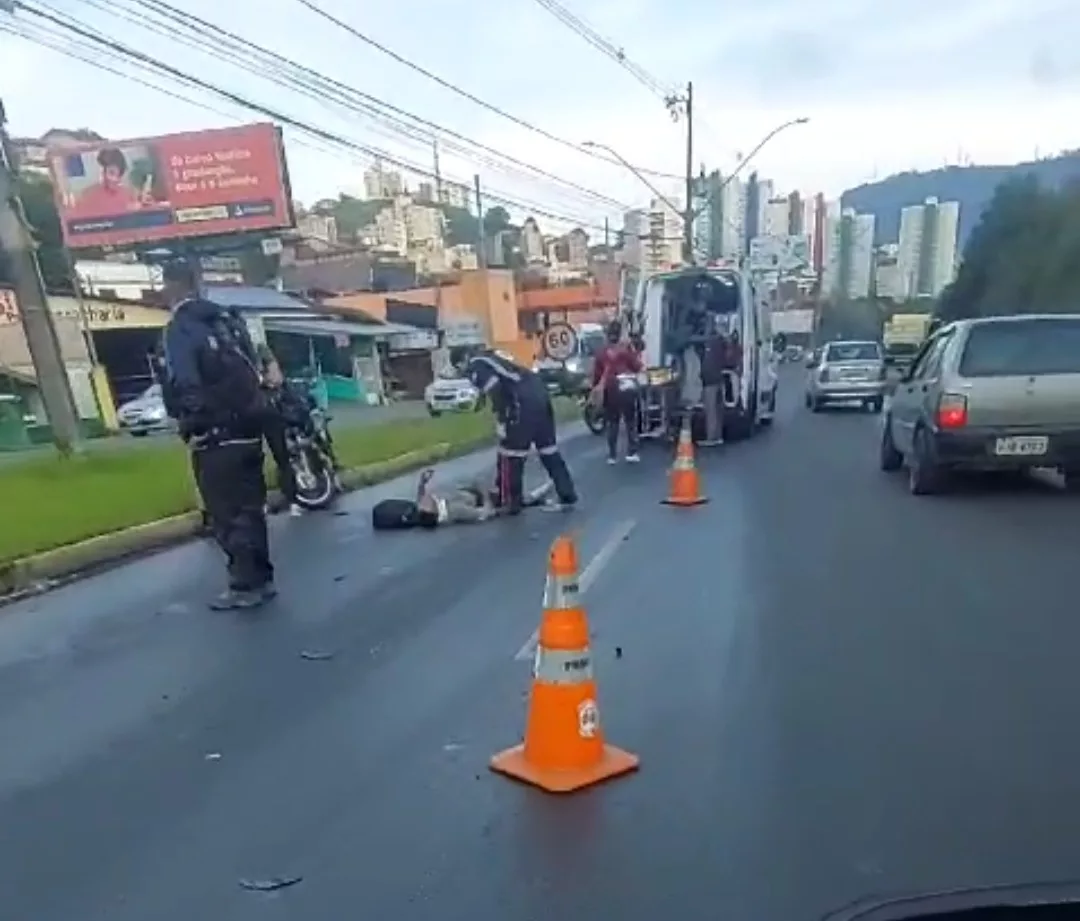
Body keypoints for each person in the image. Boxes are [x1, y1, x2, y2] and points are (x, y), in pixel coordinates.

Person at [159, 260, 275, 610]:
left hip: (216, 435)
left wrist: (192, 424)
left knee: (227, 513)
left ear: (172, 286)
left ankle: (243, 585)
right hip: (251, 429)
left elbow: (185, 382)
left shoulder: (180, 328)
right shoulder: (229, 320)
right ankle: (263, 577)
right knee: (252, 508)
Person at [465, 349, 577, 514]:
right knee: (548, 450)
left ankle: (510, 500)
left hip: (520, 403)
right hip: (540, 396)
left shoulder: (476, 365)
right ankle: (567, 493)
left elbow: (494, 387)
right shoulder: (496, 358)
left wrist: (502, 417)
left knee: (510, 454)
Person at [371, 465, 554, 530]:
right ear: (431, 510)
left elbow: (421, 498)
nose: (425, 499)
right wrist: (483, 492)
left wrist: (422, 482)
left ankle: (536, 496)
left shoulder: (430, 508)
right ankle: (539, 494)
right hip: (483, 500)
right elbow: (484, 514)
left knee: (505, 487)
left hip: (474, 493)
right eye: (425, 503)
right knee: (515, 498)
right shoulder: (455, 511)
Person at [256, 344, 302, 518]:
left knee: (282, 456)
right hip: (251, 411)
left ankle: (293, 500)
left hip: (269, 409)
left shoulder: (260, 351)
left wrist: (263, 380)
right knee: (253, 461)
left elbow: (277, 379)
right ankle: (262, 503)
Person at [590, 319, 643, 464]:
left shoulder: (601, 352)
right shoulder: (626, 349)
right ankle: (632, 452)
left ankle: (612, 455)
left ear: (607, 335)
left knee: (612, 422)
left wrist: (595, 388)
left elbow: (597, 374)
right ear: (620, 333)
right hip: (627, 387)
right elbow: (637, 366)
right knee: (630, 421)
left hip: (610, 389)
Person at [700, 316, 728, 447]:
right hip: (719, 378)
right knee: (718, 410)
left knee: (710, 410)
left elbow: (708, 363)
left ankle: (711, 438)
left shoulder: (710, 341)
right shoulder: (720, 340)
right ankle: (718, 436)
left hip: (710, 380)